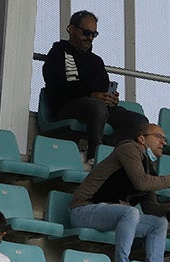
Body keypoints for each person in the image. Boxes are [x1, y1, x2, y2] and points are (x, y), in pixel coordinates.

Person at [68, 120, 170, 262]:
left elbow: (150, 208)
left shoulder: (149, 167)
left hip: (113, 216)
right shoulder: (129, 148)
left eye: (164, 139)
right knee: (131, 212)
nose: (163, 142)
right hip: (84, 210)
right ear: (142, 139)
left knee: (159, 224)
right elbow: (141, 182)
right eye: (158, 136)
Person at [41, 10, 146, 164]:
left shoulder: (96, 61)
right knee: (97, 107)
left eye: (94, 34)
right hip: (67, 105)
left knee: (140, 122)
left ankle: (107, 151)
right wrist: (92, 95)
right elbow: (57, 86)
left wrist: (110, 98)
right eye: (86, 32)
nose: (90, 37)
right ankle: (94, 155)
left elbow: (102, 88)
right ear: (71, 29)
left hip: (97, 106)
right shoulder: (58, 53)